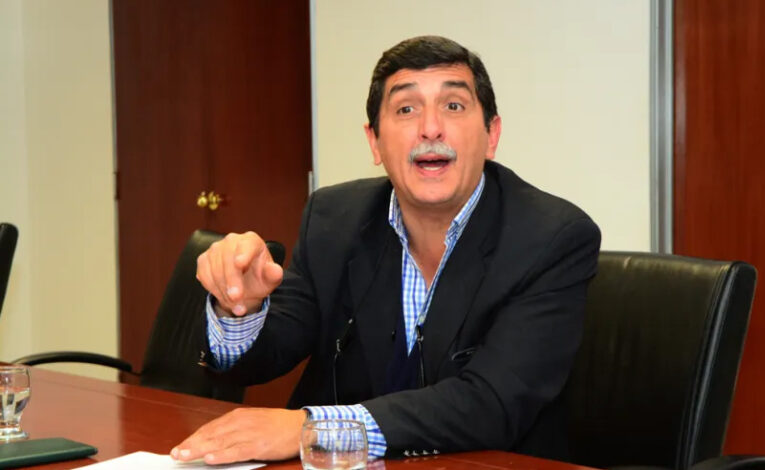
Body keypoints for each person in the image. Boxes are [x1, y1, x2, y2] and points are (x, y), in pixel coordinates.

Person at [171, 35, 601, 465]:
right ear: (374, 142)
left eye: (453, 106)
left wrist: (315, 428)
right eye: (406, 109)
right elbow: (267, 356)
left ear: (492, 134)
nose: (430, 129)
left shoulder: (552, 238)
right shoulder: (334, 218)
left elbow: (492, 403)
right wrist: (239, 308)